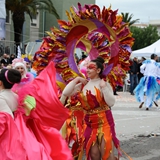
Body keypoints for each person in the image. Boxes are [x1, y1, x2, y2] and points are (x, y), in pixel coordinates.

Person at [0, 64, 73, 159]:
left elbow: (6, 122)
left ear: (0, 83)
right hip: (24, 134)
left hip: (12, 139)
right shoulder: (16, 96)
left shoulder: (1, 98)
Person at [60, 56, 120, 160]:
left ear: (98, 70)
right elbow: (65, 93)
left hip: (105, 121)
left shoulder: (104, 84)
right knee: (94, 155)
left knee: (106, 153)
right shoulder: (84, 85)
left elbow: (111, 103)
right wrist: (77, 79)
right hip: (89, 123)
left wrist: (104, 88)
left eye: (90, 67)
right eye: (87, 67)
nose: (87, 70)